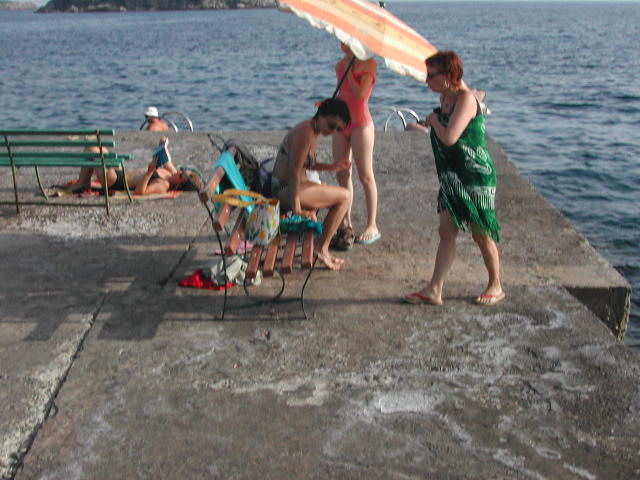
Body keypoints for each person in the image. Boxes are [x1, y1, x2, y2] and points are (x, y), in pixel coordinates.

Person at [403, 50, 504, 306]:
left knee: (481, 233)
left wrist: (434, 120)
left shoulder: (466, 100)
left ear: (448, 76)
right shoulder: (445, 98)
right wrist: (432, 123)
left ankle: (496, 284)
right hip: (452, 175)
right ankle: (434, 289)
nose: (427, 81)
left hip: (475, 175)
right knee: (446, 231)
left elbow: (449, 137)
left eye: (431, 76)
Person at [271, 98, 352, 271]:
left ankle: (322, 247)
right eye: (331, 125)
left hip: (292, 186)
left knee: (341, 195)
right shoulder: (305, 133)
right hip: (284, 189)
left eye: (338, 129)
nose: (332, 131)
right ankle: (321, 248)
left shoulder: (313, 130)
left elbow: (308, 164)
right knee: (345, 196)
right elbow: (293, 172)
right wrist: (298, 210)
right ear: (320, 115)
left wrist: (333, 167)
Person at [332, 42, 381, 249]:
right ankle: (346, 223)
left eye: (345, 40)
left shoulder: (369, 64)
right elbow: (343, 94)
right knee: (342, 174)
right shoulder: (339, 65)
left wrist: (350, 70)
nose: (341, 43)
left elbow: (360, 95)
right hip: (342, 123)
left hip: (361, 124)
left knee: (365, 176)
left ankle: (372, 225)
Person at [67, 137, 196, 196]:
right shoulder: (172, 173)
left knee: (92, 150)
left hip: (115, 181)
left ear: (179, 184)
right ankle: (83, 181)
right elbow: (167, 160)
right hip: (119, 171)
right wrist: (163, 144)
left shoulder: (163, 185)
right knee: (96, 145)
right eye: (183, 170)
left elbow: (140, 192)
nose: (179, 172)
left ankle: (82, 183)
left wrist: (150, 171)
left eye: (181, 175)